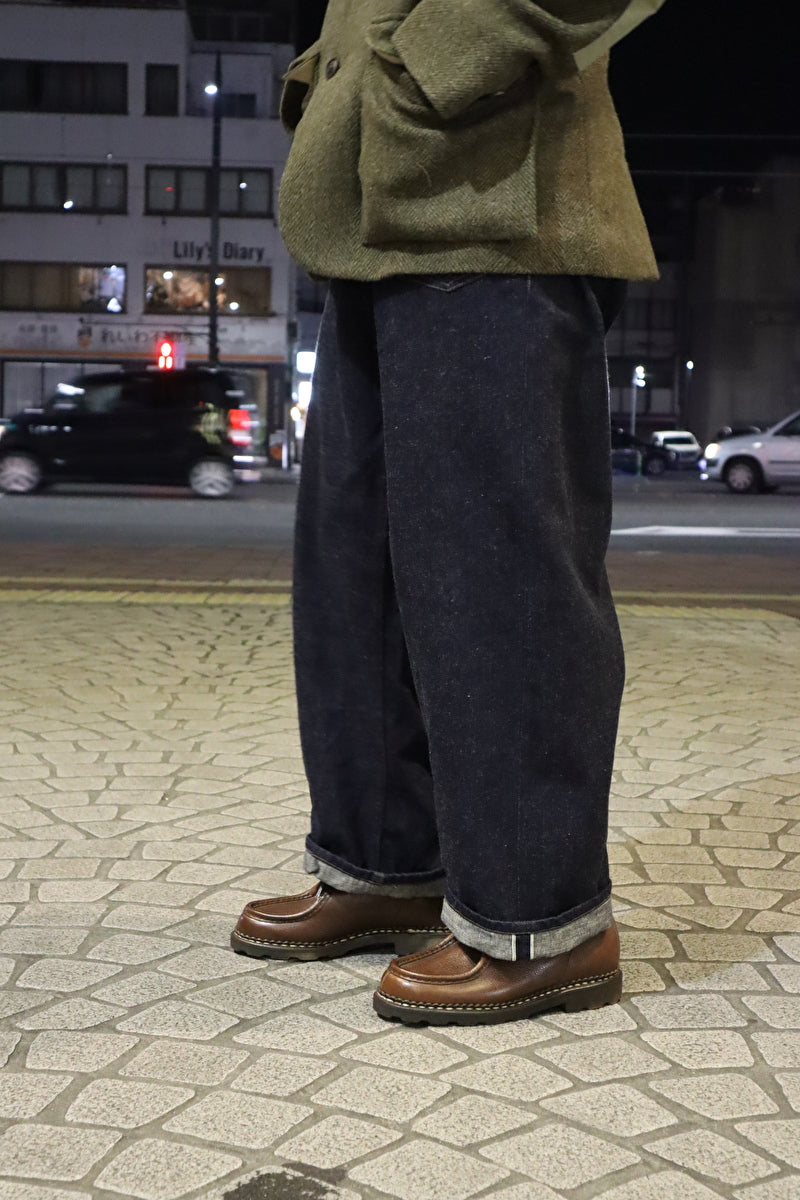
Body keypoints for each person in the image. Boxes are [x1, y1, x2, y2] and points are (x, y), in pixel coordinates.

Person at [232, 0, 666, 1026]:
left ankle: (541, 920)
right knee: (357, 557)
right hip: (373, 195)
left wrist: (429, 63)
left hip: (495, 188)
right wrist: (335, 79)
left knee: (496, 570)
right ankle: (384, 862)